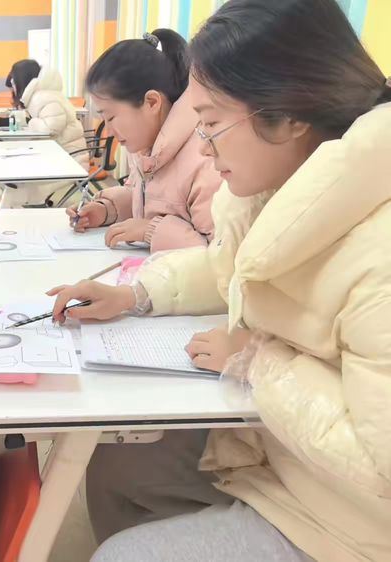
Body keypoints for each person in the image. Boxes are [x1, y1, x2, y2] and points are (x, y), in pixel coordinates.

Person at [49, 1, 391, 561]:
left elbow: (381, 465)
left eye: (211, 124)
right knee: (117, 466)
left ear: (288, 115)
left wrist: (257, 361)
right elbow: (232, 269)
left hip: (347, 522)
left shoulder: (378, 249)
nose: (204, 147)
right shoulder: (277, 189)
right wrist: (133, 295)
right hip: (277, 452)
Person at [68, 31, 221, 253]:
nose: (108, 131)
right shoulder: (147, 147)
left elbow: (219, 254)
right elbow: (146, 199)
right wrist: (106, 209)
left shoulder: (206, 160)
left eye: (111, 117)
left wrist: (151, 230)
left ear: (151, 102)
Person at [4, 59, 89, 207]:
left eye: (13, 82)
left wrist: (30, 121)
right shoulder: (43, 96)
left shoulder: (44, 98)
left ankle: (13, 212)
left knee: (17, 182)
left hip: (70, 161)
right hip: (64, 156)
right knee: (15, 177)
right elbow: (42, 120)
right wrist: (15, 118)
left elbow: (50, 130)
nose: (13, 87)